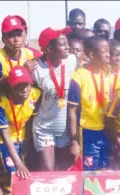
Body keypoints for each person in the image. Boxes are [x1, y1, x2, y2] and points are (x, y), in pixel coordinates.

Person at [0, 66, 41, 195]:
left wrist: (27, 145)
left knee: (23, 175)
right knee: (12, 175)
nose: (24, 90)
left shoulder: (35, 94)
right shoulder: (0, 102)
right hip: (7, 141)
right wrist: (19, 162)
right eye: (19, 86)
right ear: (11, 87)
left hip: (24, 139)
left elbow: (32, 120)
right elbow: (4, 133)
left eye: (26, 84)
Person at [31, 27, 77, 171]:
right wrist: (25, 70)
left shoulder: (72, 60)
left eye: (67, 43)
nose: (68, 47)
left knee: (64, 172)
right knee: (49, 171)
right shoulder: (36, 68)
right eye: (62, 44)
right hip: (44, 128)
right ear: (49, 48)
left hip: (65, 129)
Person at [67, 36, 111, 171]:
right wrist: (74, 141)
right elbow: (72, 111)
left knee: (103, 168)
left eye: (109, 51)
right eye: (104, 51)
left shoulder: (108, 73)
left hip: (106, 130)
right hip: (87, 131)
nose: (108, 55)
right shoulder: (79, 76)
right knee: (89, 171)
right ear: (92, 55)